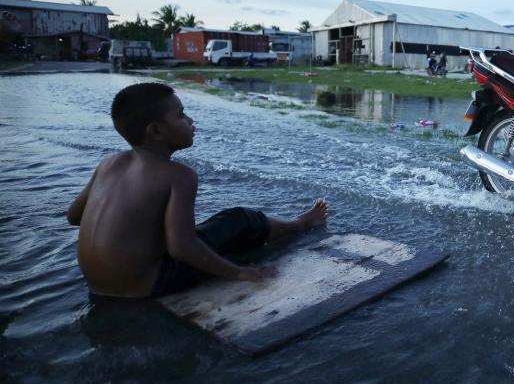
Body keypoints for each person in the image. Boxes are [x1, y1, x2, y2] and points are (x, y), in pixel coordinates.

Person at [67, 82, 330, 299]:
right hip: (145, 287)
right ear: (156, 131)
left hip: (97, 285)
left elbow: (74, 217)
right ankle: (299, 224)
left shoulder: (109, 164)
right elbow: (182, 247)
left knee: (197, 229)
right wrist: (239, 273)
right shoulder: (179, 175)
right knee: (237, 219)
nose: (190, 120)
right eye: (181, 115)